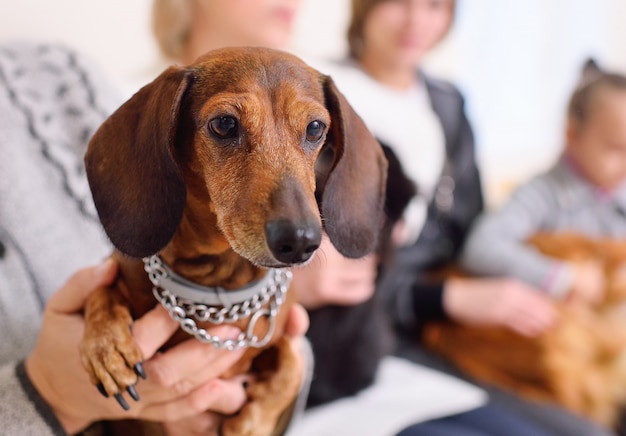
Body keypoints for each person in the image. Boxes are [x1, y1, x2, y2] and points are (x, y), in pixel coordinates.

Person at [296, 0, 613, 435]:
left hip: (452, 325)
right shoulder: (317, 101)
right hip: (371, 332)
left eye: (433, 6)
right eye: (398, 3)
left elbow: (473, 232)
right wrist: (449, 299)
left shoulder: (446, 102)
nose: (416, 21)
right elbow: (339, 270)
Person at [0, 40, 307, 436]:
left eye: (313, 129)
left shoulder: (57, 75)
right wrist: (47, 394)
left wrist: (272, 392)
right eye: (227, 125)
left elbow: (289, 345)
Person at [460, 59, 626, 304]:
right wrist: (562, 278)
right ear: (572, 135)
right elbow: (481, 247)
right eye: (616, 149)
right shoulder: (541, 195)